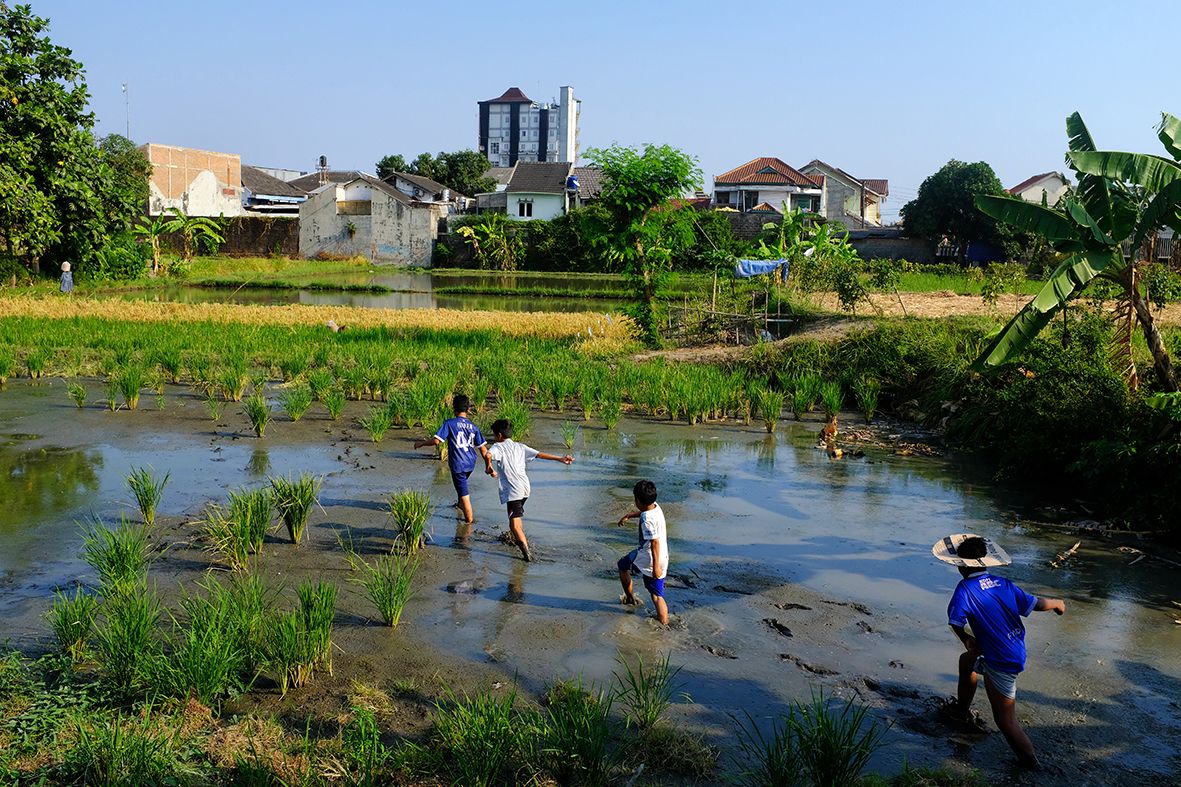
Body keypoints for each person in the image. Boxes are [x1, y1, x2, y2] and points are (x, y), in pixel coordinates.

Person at [932, 533, 1066, 771]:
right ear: (984, 561)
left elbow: (954, 621)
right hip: (1011, 650)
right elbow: (1035, 604)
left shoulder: (964, 589)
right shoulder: (1003, 584)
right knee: (967, 661)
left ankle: (1032, 766)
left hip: (1001, 660)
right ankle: (961, 711)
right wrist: (1057, 603)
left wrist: (965, 638)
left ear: (960, 565)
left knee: (1005, 721)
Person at [483, 418, 573, 562]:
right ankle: (517, 540)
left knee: (514, 526)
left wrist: (489, 467)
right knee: (515, 520)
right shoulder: (520, 446)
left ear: (499, 435)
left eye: (494, 435)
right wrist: (560, 459)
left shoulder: (497, 447)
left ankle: (527, 556)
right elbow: (539, 454)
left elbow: (488, 455)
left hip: (513, 490)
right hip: (525, 487)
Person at [414, 394, 490, 525]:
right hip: (471, 463)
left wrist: (422, 443)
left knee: (464, 493)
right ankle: (460, 504)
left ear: (454, 409)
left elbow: (437, 441)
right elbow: (483, 450)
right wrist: (489, 466)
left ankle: (469, 521)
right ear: (468, 410)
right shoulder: (473, 427)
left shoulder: (449, 424)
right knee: (462, 486)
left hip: (458, 464)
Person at [616, 479, 669, 626]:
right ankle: (631, 598)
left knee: (656, 597)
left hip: (650, 557)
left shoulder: (647, 520)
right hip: (663, 555)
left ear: (637, 500)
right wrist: (630, 515)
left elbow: (654, 542)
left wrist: (656, 568)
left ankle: (663, 623)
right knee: (623, 564)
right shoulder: (656, 507)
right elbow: (645, 512)